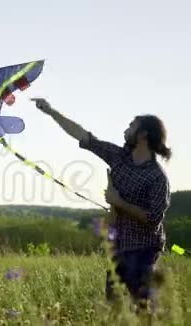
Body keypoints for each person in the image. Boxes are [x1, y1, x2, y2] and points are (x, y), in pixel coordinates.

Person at [31, 98, 171, 308]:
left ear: (143, 135)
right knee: (114, 311)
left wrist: (118, 202)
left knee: (144, 312)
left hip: (143, 251)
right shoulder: (119, 157)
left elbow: (153, 219)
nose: (126, 130)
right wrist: (51, 112)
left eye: (131, 126)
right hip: (119, 250)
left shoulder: (157, 177)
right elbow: (84, 136)